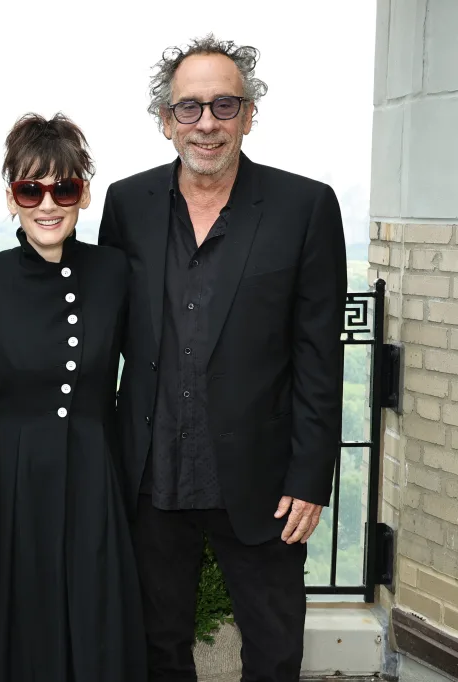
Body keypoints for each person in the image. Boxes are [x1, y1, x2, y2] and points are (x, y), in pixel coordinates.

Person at [99, 35, 347, 682]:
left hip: (264, 481)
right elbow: (101, 321)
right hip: (152, 476)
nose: (206, 122)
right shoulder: (127, 205)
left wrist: (309, 477)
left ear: (249, 115)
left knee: (274, 652)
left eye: (224, 105)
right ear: (166, 120)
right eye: (189, 107)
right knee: (158, 651)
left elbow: (319, 356)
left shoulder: (305, 206)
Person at [0, 113, 146, 682]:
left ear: (84, 194)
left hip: (94, 481)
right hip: (8, 485)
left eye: (65, 188)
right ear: (12, 198)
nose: (48, 204)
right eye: (31, 189)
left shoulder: (116, 272)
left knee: (93, 626)